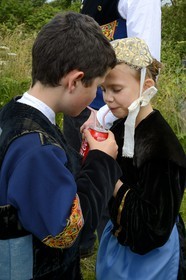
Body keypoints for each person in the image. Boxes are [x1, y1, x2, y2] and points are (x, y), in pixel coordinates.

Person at [0, 11, 122, 279]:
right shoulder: (37, 151)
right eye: (98, 87)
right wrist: (101, 161)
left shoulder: (14, 114)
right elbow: (69, 231)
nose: (98, 96)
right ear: (75, 81)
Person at [63, 0, 162, 257]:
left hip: (111, 116)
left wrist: (105, 115)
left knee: (109, 187)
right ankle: (80, 243)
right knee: (75, 174)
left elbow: (145, 67)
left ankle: (116, 252)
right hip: (80, 106)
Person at [94, 37, 186, 280]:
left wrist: (112, 178)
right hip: (119, 243)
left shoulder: (162, 149)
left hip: (152, 261)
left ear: (146, 87)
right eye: (103, 89)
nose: (107, 98)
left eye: (116, 89)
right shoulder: (121, 128)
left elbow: (154, 228)